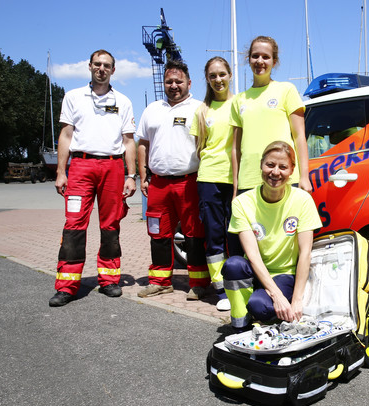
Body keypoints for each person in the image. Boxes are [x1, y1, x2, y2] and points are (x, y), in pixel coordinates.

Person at [49, 49, 137, 307]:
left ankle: (109, 280)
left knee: (111, 225)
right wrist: (61, 171)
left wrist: (130, 175)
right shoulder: (73, 97)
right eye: (97, 64)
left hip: (112, 167)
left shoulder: (123, 100)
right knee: (74, 225)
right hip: (81, 166)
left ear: (113, 70)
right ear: (89, 66)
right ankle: (66, 285)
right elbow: (65, 135)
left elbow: (128, 141)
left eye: (106, 65)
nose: (102, 68)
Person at [221, 141, 322, 331]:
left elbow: (305, 253)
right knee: (233, 265)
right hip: (256, 270)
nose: (275, 172)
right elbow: (252, 256)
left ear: (292, 170)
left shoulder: (303, 200)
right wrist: (277, 296)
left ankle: (264, 310)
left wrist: (296, 300)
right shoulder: (243, 203)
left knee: (260, 306)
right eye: (270, 165)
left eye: (283, 167)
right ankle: (240, 324)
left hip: (285, 274)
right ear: (261, 165)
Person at [135, 60, 209, 298]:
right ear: (163, 83)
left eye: (179, 81)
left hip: (189, 182)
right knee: (158, 233)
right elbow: (143, 143)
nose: (174, 85)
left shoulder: (200, 108)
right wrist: (142, 174)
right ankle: (160, 281)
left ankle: (198, 283)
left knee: (194, 234)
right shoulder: (152, 110)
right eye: (169, 81)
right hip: (158, 183)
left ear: (189, 82)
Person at [230, 35, 312, 194]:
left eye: (266, 57)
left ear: (274, 62)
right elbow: (235, 149)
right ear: (249, 59)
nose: (260, 60)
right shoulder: (238, 100)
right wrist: (235, 188)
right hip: (248, 181)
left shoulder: (286, 90)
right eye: (255, 56)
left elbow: (299, 137)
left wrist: (304, 176)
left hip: (283, 178)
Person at [189, 56, 237, 308]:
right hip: (209, 178)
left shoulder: (240, 104)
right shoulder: (201, 110)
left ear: (230, 75)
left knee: (237, 235)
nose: (218, 79)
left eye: (222, 74)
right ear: (207, 79)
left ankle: (240, 284)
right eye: (212, 76)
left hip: (238, 179)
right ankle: (221, 290)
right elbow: (199, 148)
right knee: (214, 235)